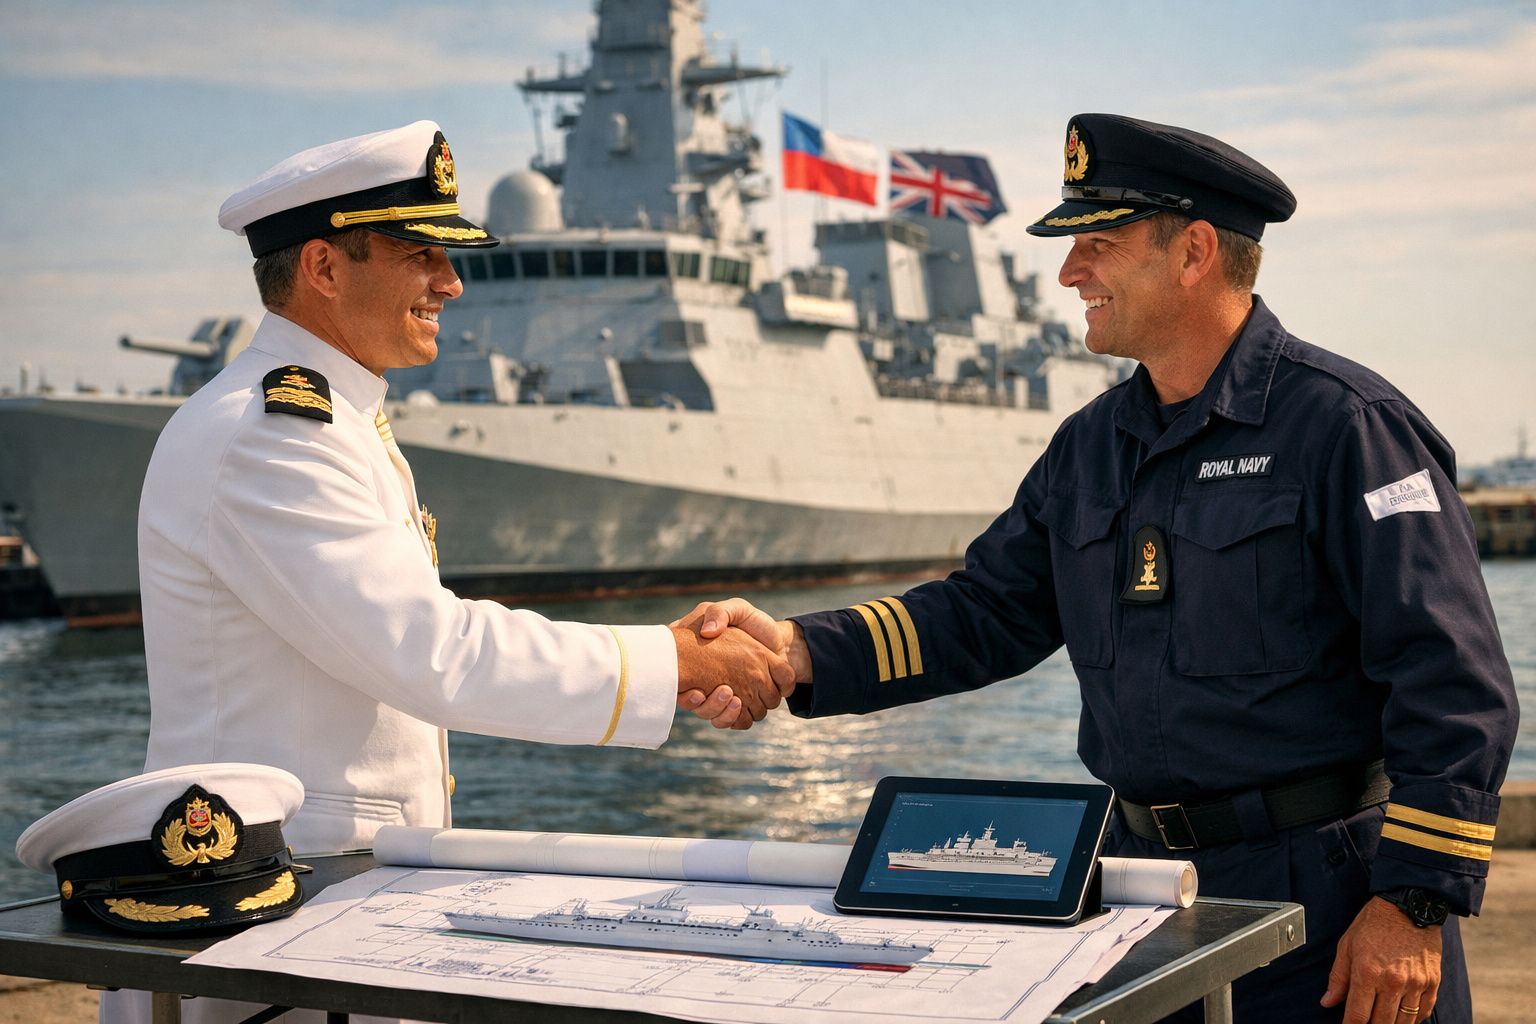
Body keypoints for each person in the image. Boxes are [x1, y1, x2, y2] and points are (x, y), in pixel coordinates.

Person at [695, 113, 1518, 1023]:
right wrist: (797, 649)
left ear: (1194, 252)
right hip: (1141, 896)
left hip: (1320, 901)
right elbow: (985, 612)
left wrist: (1412, 905)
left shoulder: (1345, 427)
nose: (1069, 273)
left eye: (1098, 243)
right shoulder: (1089, 447)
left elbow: (1455, 685)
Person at [137, 120, 790, 863]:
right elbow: (431, 652)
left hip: (323, 874)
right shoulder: (271, 432)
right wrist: (676, 662)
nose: (450, 283)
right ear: (322, 268)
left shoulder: (334, 417)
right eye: (419, 254)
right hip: (269, 892)